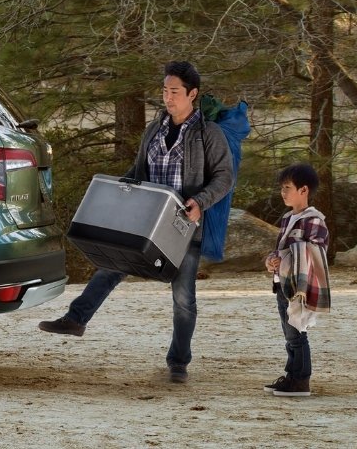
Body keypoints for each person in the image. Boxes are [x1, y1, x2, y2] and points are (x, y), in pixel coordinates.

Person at [38, 60, 234, 383]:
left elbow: (225, 178)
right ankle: (75, 319)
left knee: (183, 298)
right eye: (164, 91)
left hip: (183, 229)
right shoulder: (154, 129)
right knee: (109, 267)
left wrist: (200, 202)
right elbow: (138, 172)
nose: (167, 98)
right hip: (145, 222)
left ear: (192, 94)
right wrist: (118, 190)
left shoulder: (207, 135)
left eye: (174, 92)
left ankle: (178, 364)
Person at [263, 163, 331, 397]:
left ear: (304, 190)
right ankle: (292, 375)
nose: (283, 192)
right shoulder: (287, 218)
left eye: (287, 187)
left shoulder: (314, 220)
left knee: (297, 332)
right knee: (289, 332)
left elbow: (316, 251)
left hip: (298, 286)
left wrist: (286, 256)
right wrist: (272, 260)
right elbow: (280, 249)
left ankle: (301, 380)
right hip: (282, 283)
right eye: (282, 187)